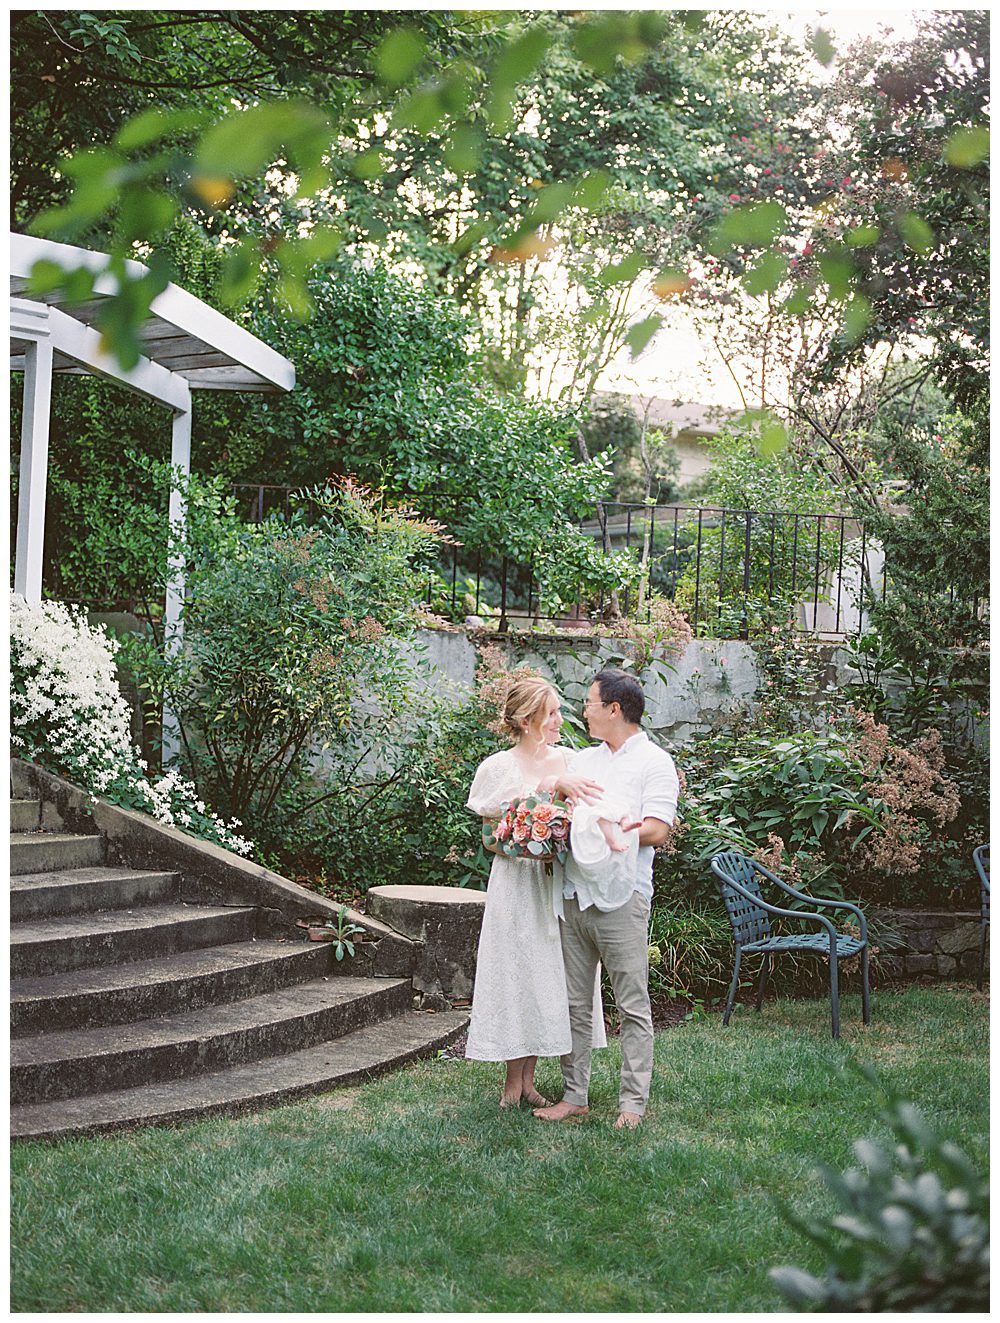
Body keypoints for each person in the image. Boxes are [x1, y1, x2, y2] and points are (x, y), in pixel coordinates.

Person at [534, 668, 679, 1130]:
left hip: (623, 899)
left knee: (632, 1005)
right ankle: (574, 1096)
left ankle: (632, 1104)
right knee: (575, 1004)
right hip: (575, 895)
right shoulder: (584, 761)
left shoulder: (654, 762)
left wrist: (616, 831)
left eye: (590, 703)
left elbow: (658, 829)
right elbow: (554, 802)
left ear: (614, 709)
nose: (584, 711)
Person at [466, 674, 607, 1109]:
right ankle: (514, 1083)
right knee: (516, 974)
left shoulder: (570, 762)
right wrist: (526, 838)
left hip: (559, 886)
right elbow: (490, 839)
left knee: (550, 977)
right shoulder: (497, 768)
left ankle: (531, 1082)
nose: (560, 721)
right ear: (527, 720)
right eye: (552, 714)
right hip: (515, 884)